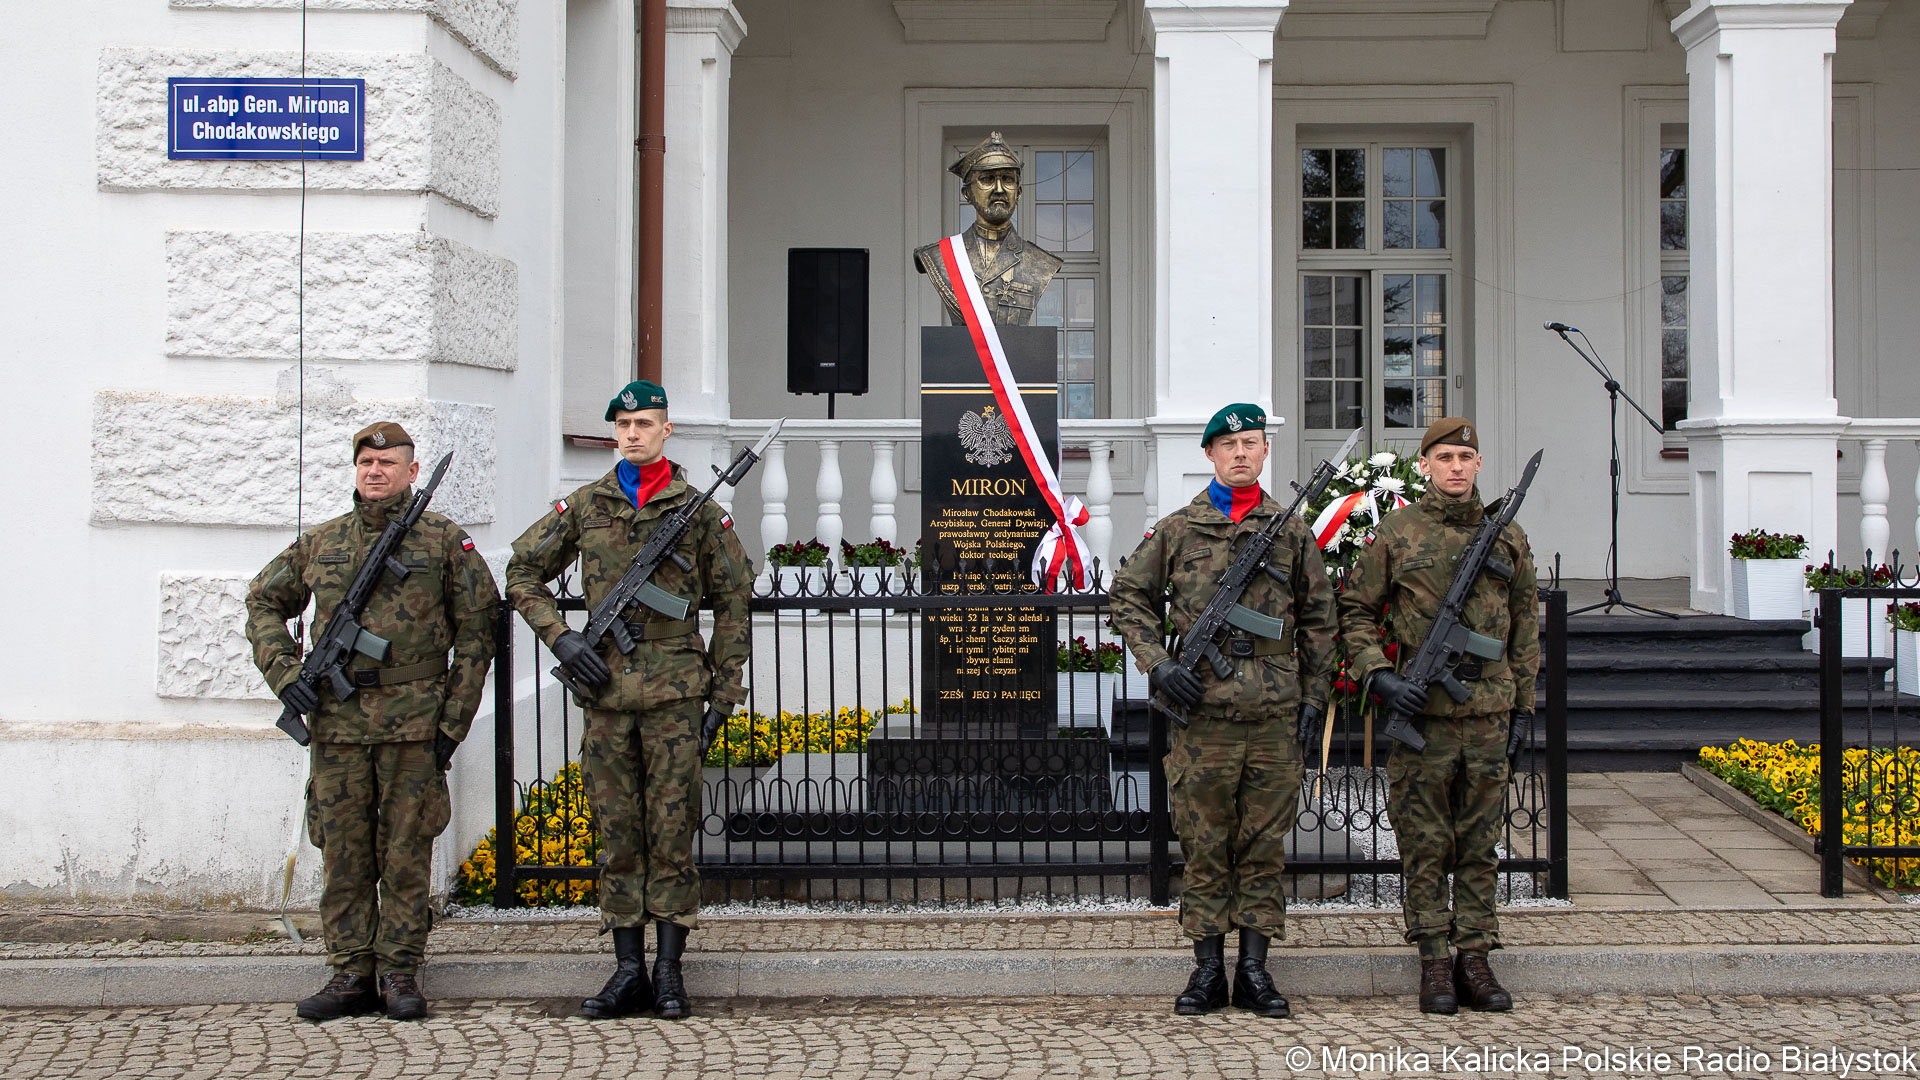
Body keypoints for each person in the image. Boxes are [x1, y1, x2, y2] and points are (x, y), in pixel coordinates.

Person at [505, 379, 751, 1020]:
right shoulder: (586, 505)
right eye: (623, 424)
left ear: (667, 430)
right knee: (616, 833)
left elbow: (733, 601)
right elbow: (521, 570)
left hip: (675, 694)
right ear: (614, 432)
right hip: (607, 693)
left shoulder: (697, 510)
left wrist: (723, 695)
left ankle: (668, 971)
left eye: (645, 423)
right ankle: (627, 971)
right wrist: (561, 638)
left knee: (671, 832)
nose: (633, 433)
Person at [246, 422, 500, 1022]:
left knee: (406, 853)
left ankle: (400, 971)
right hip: (337, 726)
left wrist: (453, 723)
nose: (375, 470)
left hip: (414, 726)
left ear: (412, 471)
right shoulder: (323, 541)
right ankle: (349, 972)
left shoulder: (443, 541)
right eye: (366, 461)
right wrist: (285, 673)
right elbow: (262, 600)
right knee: (344, 853)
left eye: (388, 462)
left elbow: (479, 631)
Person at [1110, 403, 1338, 1018]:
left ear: (1265, 451)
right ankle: (1208, 969)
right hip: (1203, 718)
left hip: (1273, 716)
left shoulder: (1291, 533)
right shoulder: (1178, 530)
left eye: (1252, 443)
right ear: (1209, 454)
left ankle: (1254, 970)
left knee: (1263, 846)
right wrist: (1159, 663)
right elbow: (1127, 595)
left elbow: (1320, 621)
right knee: (1204, 845)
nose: (1241, 453)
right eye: (1229, 444)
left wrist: (1315, 697)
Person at [1337, 417, 1539, 1014]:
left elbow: (1526, 626)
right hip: (1423, 717)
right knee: (1424, 843)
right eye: (1444, 457)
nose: (1456, 467)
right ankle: (1433, 960)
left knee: (1480, 842)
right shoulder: (1398, 532)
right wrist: (1379, 675)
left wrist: (1523, 707)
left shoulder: (1508, 537)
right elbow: (1354, 610)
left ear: (1478, 465)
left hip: (1489, 712)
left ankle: (1475, 956)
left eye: (1465, 458)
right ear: (1424, 465)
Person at [913, 130, 1063, 326]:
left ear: (1018, 193)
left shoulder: (1041, 262)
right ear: (967, 193)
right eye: (987, 179)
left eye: (1007, 179)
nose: (999, 189)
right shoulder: (938, 256)